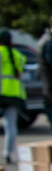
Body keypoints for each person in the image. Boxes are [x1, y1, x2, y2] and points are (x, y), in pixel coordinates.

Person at [1, 30, 27, 163]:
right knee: (10, 125)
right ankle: (7, 153)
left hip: (1, 92)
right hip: (14, 94)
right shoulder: (17, 54)